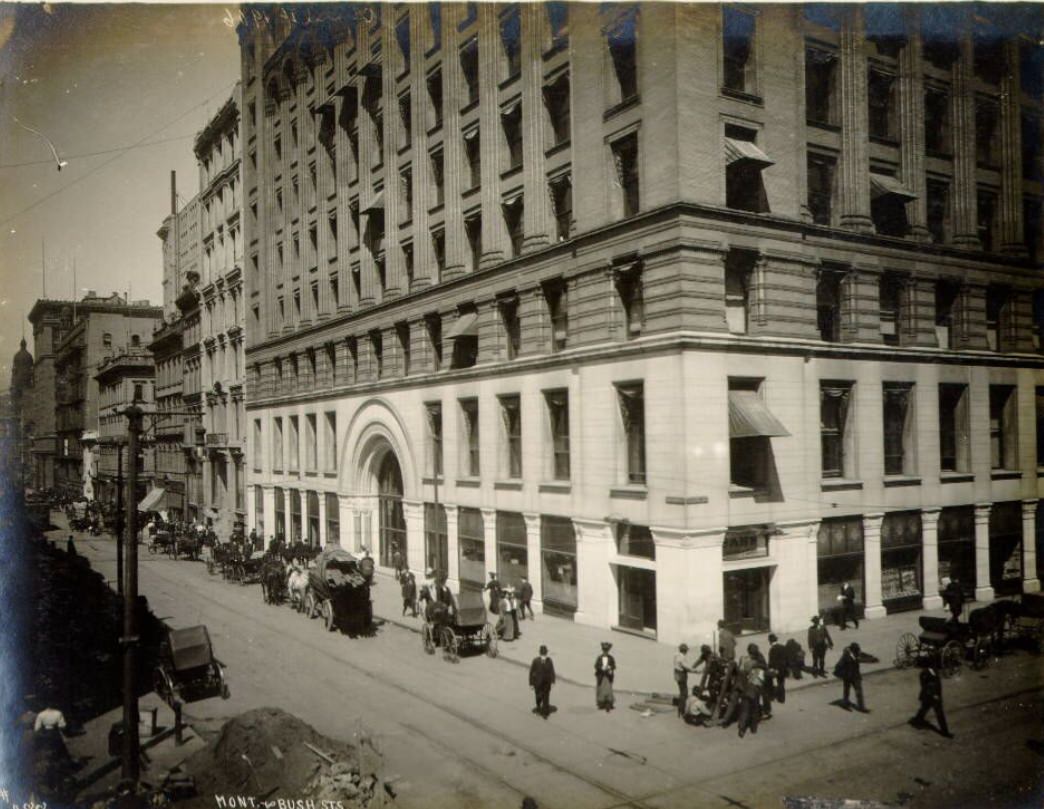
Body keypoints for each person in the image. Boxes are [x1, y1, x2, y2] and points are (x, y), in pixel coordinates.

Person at [910, 664, 952, 738]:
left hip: (933, 696)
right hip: (931, 696)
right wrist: (934, 695)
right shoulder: (924, 673)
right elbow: (924, 686)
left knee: (924, 708)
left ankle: (918, 719)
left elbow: (937, 683)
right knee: (939, 713)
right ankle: (945, 732)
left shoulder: (934, 670)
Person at [736, 644, 765, 737]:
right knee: (755, 709)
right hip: (756, 688)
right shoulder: (760, 663)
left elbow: (741, 673)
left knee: (745, 709)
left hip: (746, 688)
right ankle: (753, 729)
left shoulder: (745, 662)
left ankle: (741, 729)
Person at [835, 642, 868, 712]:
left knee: (859, 691)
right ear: (853, 651)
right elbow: (838, 666)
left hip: (856, 676)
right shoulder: (845, 656)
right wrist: (842, 674)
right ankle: (845, 704)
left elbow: (863, 657)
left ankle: (861, 707)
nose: (859, 652)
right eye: (857, 651)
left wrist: (872, 659)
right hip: (848, 676)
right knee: (847, 691)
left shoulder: (857, 654)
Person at [529, 645, 556, 718]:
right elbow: (531, 672)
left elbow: (552, 671)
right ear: (540, 654)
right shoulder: (536, 661)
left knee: (546, 698)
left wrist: (553, 681)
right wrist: (531, 684)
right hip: (538, 683)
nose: (544, 655)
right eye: (543, 654)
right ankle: (538, 707)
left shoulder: (549, 661)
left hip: (547, 683)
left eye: (545, 654)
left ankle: (545, 713)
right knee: (538, 697)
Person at [594, 642, 616, 711]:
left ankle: (609, 703)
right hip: (601, 675)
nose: (605, 652)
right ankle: (601, 703)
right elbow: (596, 666)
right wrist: (601, 668)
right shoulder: (599, 658)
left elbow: (614, 666)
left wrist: (610, 668)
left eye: (606, 650)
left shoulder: (611, 658)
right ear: (602, 650)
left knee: (608, 689)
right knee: (600, 688)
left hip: (608, 676)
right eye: (604, 650)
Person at [767, 634, 788, 705]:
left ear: (770, 641)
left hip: (776, 669)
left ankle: (778, 697)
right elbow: (786, 657)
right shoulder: (782, 647)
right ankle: (782, 698)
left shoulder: (772, 649)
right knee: (782, 682)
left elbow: (771, 661)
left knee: (778, 682)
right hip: (783, 667)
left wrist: (770, 668)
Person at [673, 644, 693, 717]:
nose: (687, 651)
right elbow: (685, 666)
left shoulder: (676, 655)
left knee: (682, 692)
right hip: (681, 675)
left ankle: (680, 710)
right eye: (686, 650)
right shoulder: (681, 656)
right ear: (685, 650)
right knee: (684, 693)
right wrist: (695, 671)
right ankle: (682, 711)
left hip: (677, 675)